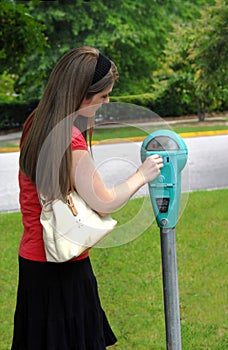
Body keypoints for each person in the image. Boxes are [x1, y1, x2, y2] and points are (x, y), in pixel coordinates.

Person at [11, 46, 164, 350]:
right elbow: (104, 200)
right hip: (64, 267)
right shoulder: (68, 138)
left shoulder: (36, 123)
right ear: (82, 93)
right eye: (104, 96)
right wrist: (141, 175)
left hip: (34, 263)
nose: (106, 103)